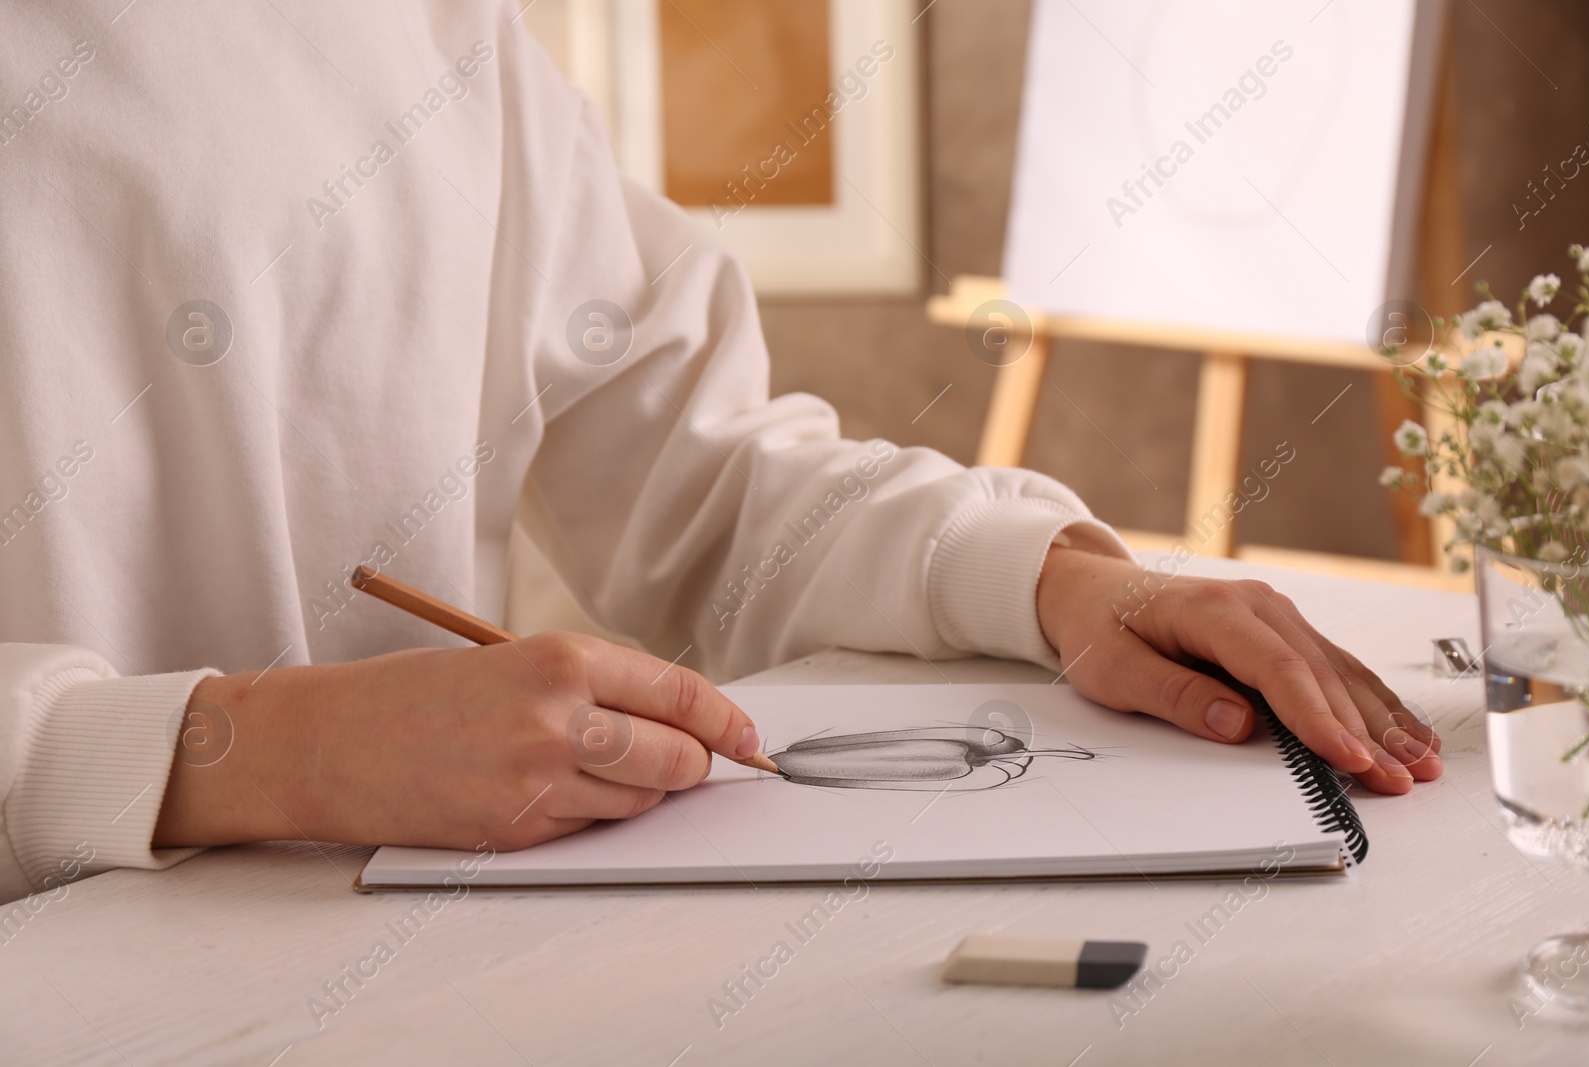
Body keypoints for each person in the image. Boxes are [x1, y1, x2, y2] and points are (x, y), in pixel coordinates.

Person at [0, 1, 1439, 906]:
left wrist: (1047, 582)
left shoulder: (447, 39)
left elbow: (708, 480)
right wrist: (261, 752)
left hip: (388, 965)